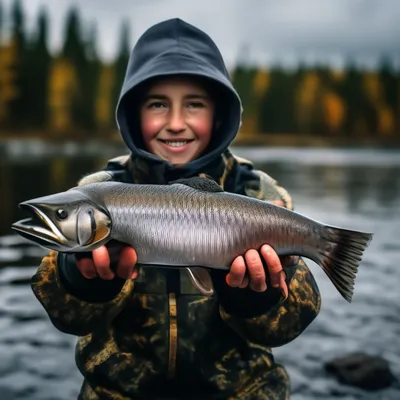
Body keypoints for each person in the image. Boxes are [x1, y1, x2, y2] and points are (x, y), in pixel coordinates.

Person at [31, 18, 321, 400]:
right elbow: (65, 316)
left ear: (218, 115)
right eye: (157, 104)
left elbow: (289, 325)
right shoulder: (94, 191)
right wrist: (79, 280)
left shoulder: (259, 193)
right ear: (134, 114)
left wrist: (254, 300)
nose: (175, 123)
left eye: (194, 105)